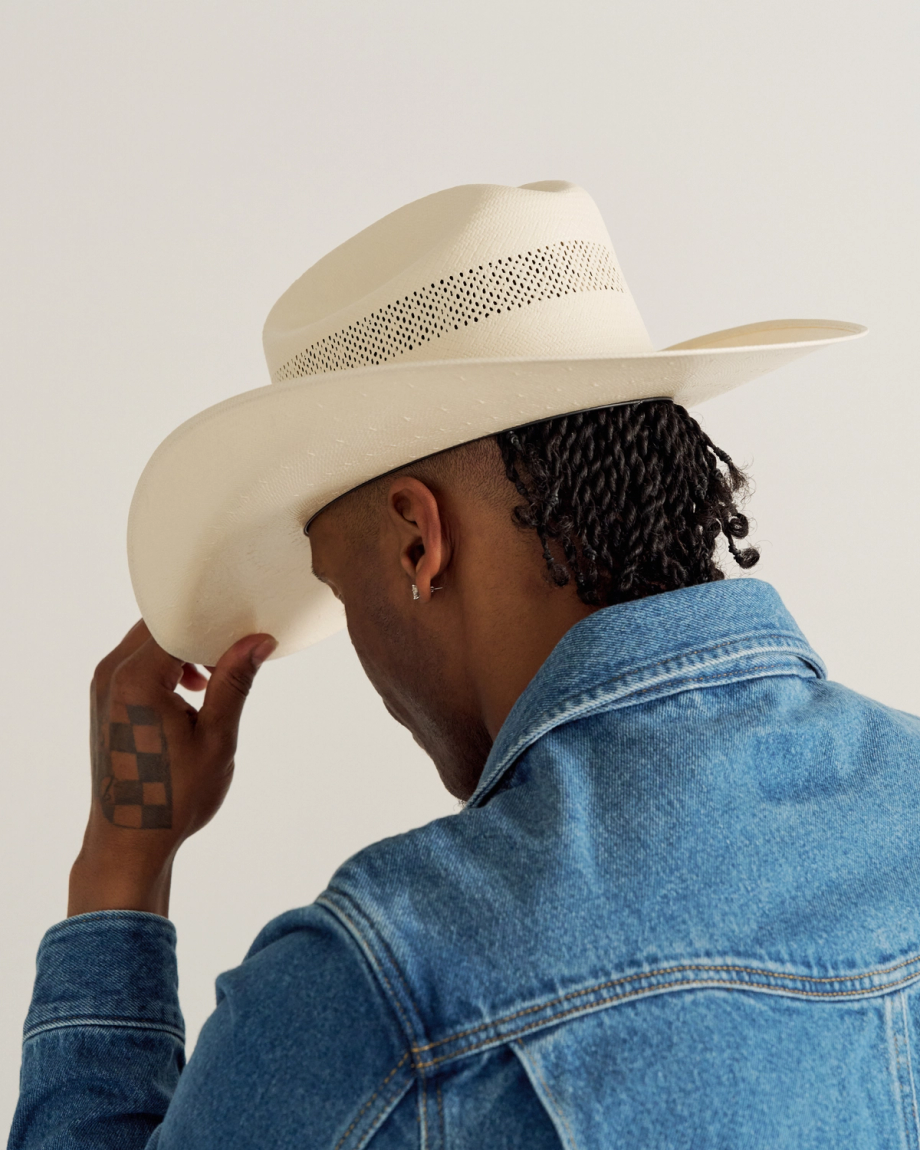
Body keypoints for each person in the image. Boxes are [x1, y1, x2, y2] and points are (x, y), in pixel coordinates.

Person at [11, 182, 918, 1150]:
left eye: (340, 585)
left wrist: (122, 853)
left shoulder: (388, 977)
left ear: (414, 539)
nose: (358, 642)